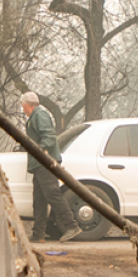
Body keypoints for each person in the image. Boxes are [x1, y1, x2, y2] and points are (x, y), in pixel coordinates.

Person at [21, 92, 82, 243]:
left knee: (52, 194)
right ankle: (38, 234)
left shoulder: (39, 115)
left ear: (27, 105)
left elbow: (48, 135)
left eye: (23, 106)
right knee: (39, 199)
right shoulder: (36, 116)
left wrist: (41, 150)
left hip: (44, 162)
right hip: (40, 163)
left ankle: (71, 226)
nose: (23, 109)